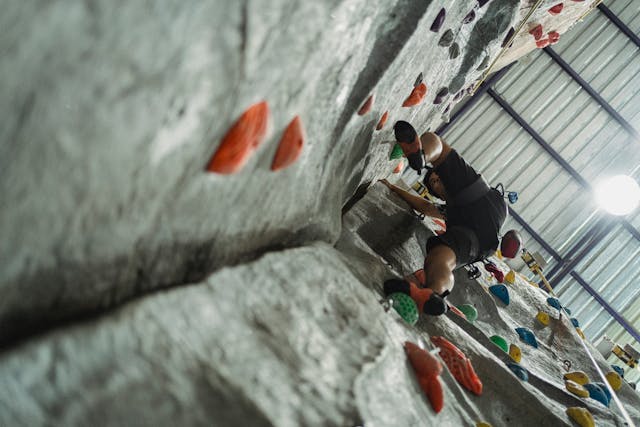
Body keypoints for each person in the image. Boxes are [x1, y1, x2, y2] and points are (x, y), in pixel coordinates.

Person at [380, 120, 508, 315]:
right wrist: (392, 187)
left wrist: (418, 166)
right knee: (438, 258)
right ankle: (432, 295)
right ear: (437, 195)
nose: (437, 181)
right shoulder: (449, 210)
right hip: (475, 240)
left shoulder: (462, 185)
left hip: (482, 203)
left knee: (433, 142)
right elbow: (425, 206)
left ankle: (421, 156)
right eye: (433, 183)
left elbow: (439, 151)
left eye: (437, 178)